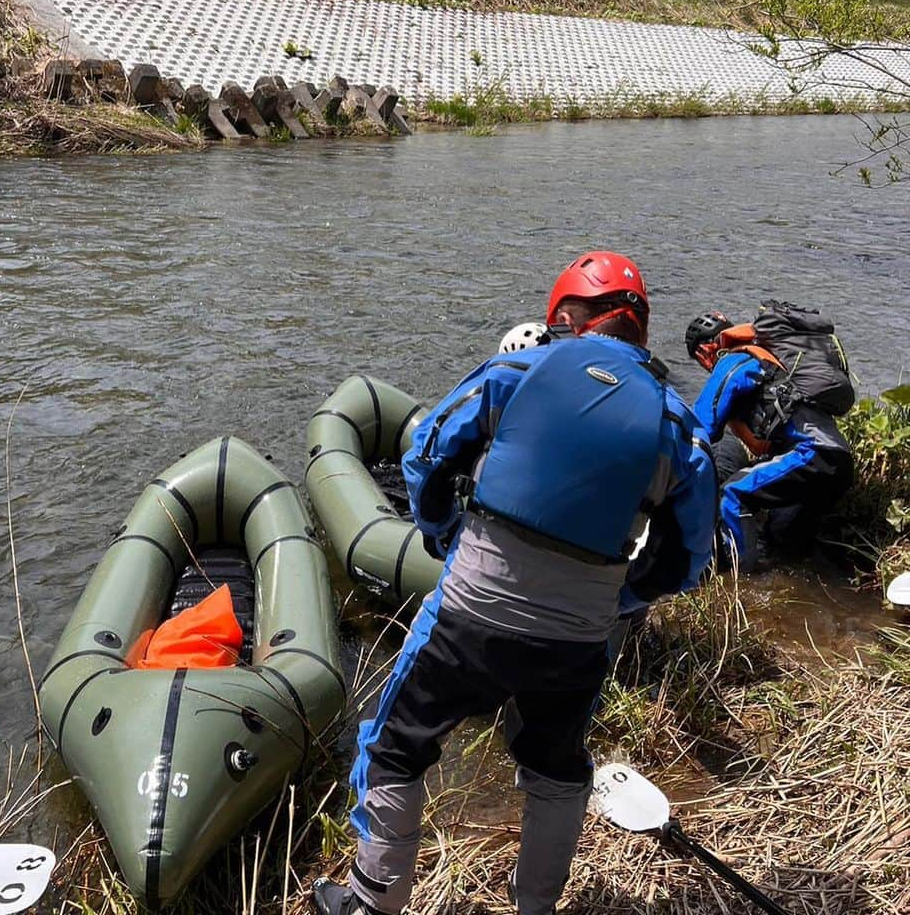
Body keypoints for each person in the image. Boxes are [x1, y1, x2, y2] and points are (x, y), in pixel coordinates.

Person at [314, 251, 718, 915]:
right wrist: (617, 599)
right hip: (578, 639)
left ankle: (373, 898)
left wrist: (446, 536)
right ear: (639, 330)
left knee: (395, 745)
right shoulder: (678, 426)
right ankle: (535, 907)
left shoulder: (518, 369)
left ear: (563, 315)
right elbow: (685, 559)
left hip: (469, 610)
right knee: (557, 770)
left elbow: (427, 456)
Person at [685, 303, 854, 571]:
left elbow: (702, 426)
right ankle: (808, 582)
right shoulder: (772, 362)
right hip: (838, 461)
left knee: (733, 493)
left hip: (811, 455)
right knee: (780, 537)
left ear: (705, 351)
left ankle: (743, 583)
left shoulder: (734, 360)